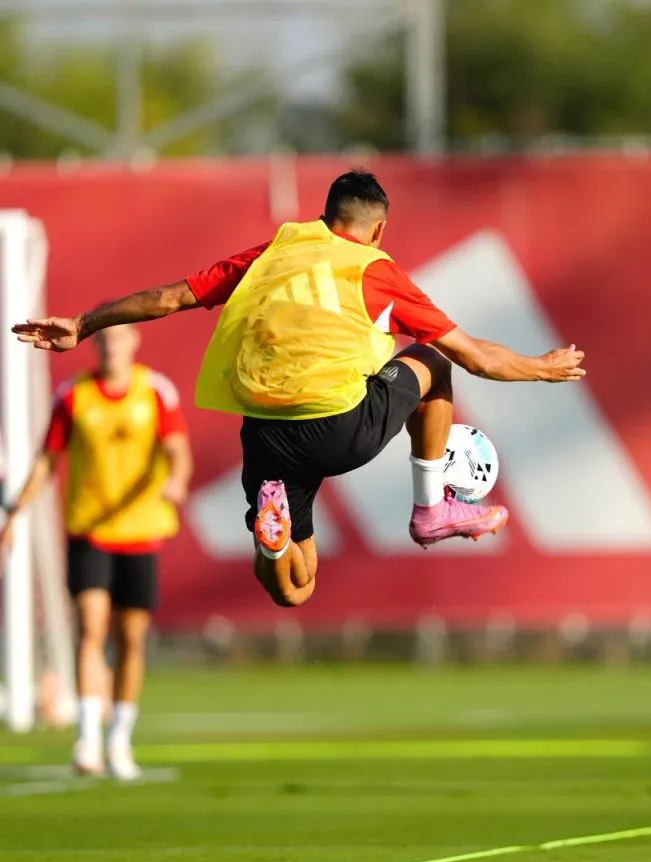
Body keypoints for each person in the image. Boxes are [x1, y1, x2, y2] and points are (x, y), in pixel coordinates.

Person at [12, 170, 584, 612]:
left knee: (293, 587)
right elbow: (476, 355)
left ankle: (272, 543)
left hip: (267, 433)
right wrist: (542, 367)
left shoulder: (270, 255)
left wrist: (83, 324)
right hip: (336, 424)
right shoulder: (374, 270)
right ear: (378, 229)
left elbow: (170, 298)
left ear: (322, 216)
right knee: (433, 359)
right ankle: (432, 508)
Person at [1, 324, 192, 778]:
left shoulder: (155, 391)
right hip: (89, 531)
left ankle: (119, 738)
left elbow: (178, 450)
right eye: (103, 339)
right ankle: (87, 738)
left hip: (142, 531)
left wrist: (176, 479)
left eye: (118, 338)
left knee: (129, 639)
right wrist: (16, 512)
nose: (110, 347)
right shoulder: (73, 396)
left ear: (133, 343)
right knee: (90, 629)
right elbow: (48, 459)